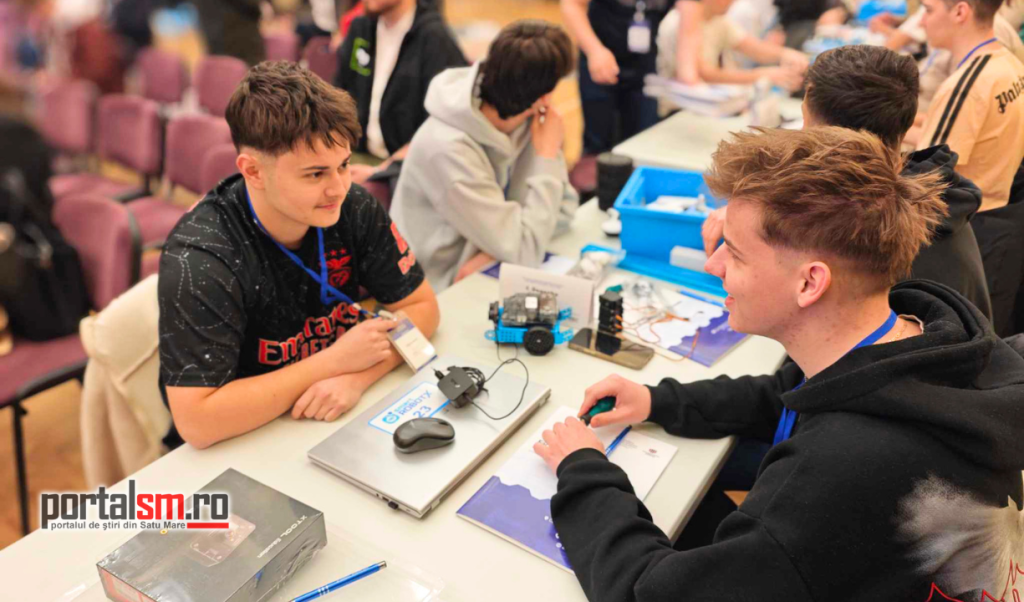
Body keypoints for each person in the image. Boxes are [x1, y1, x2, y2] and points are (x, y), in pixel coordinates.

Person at [534, 126, 1024, 600]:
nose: (713, 265)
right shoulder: (920, 338)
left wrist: (584, 470)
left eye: (735, 254)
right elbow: (787, 395)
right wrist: (655, 400)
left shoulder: (828, 478)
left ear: (810, 283)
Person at [158, 61, 439, 450]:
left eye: (343, 165)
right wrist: (334, 362)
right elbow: (198, 422)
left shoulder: (353, 208)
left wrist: (358, 377)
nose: (338, 188)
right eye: (315, 174)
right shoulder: (201, 259)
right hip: (241, 439)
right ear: (253, 172)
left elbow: (422, 306)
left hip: (323, 416)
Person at [704, 44, 992, 320]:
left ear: (808, 110)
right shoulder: (935, 194)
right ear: (904, 124)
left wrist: (755, 221)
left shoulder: (866, 243)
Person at [389, 20, 579, 292]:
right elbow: (525, 249)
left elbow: (563, 212)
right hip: (436, 288)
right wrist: (547, 157)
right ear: (544, 96)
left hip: (486, 266)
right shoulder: (445, 149)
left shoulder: (529, 123)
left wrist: (494, 253)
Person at [909, 0, 1024, 335]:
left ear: (960, 12)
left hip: (973, 227)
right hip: (1001, 214)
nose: (922, 21)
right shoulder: (1007, 63)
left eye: (929, 10)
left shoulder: (966, 85)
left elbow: (928, 171)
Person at [332, 0, 465, 185]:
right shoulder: (360, 28)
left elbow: (443, 127)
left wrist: (382, 171)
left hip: (407, 171)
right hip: (356, 155)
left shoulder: (435, 39)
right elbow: (337, 98)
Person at [561, 0, 704, 158]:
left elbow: (689, 28)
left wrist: (688, 79)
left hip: (644, 65)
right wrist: (594, 51)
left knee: (643, 138)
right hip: (600, 56)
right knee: (598, 141)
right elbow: (572, 4)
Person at [656, 0, 808, 90]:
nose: (732, 2)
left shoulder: (719, 21)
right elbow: (702, 74)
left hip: (708, 102)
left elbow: (754, 48)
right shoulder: (680, 22)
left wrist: (785, 53)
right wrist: (762, 75)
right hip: (679, 107)